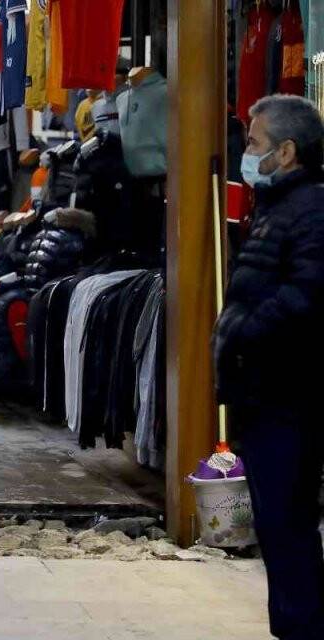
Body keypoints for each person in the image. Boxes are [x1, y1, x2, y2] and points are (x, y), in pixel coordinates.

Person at [214, 94, 324, 640]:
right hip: (267, 393)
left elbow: (308, 294)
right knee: (281, 529)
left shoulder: (311, 208)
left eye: (255, 145)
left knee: (288, 525)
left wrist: (247, 333)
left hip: (289, 393)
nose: (247, 155)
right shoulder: (277, 205)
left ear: (286, 150)